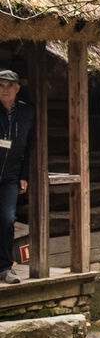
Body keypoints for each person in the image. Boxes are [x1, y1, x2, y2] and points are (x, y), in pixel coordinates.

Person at [0, 70, 30, 284]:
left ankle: (5, 268)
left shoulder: (27, 113)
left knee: (8, 219)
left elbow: (29, 147)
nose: (5, 90)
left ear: (17, 88)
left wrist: (24, 175)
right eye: (1, 85)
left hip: (10, 176)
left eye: (9, 85)